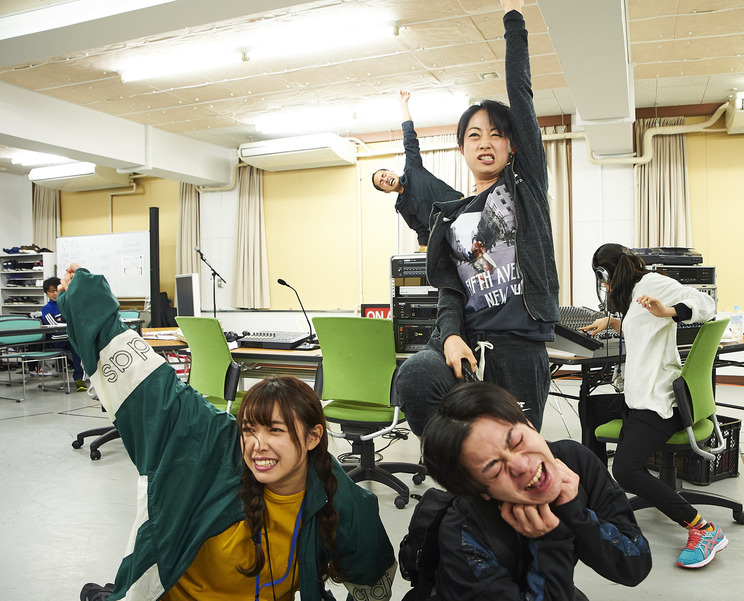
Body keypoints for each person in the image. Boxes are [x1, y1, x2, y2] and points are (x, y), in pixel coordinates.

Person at [56, 264, 396, 601]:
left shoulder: (339, 498)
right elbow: (152, 389)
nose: (258, 445)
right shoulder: (214, 445)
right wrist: (85, 297)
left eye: (276, 430)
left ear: (313, 437)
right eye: (249, 429)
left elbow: (373, 573)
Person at [394, 0, 559, 436]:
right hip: (464, 341)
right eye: (474, 135)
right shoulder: (450, 217)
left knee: (515, 444)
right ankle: (455, 467)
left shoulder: (525, 188)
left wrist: (513, 20)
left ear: (512, 146)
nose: (485, 142)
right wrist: (450, 335)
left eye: (496, 134)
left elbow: (520, 95)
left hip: (519, 347)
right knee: (414, 379)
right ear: (462, 148)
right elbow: (451, 290)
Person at [420, 382, 652, 600]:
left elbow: (635, 566)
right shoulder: (464, 535)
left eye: (517, 441)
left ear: (529, 424)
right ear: (481, 491)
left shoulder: (576, 462)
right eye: (495, 469)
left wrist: (577, 516)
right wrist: (550, 542)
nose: (522, 466)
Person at [579, 243, 728, 569]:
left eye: (602, 279)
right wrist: (611, 323)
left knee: (626, 470)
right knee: (591, 407)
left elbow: (707, 304)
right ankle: (599, 500)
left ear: (608, 274)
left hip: (658, 402)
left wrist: (670, 311)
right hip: (638, 395)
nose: (604, 287)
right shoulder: (636, 292)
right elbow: (643, 329)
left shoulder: (654, 283)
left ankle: (704, 530)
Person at [371, 90, 463, 251]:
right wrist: (423, 251)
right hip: (446, 231)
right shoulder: (402, 207)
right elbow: (420, 229)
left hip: (459, 210)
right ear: (385, 191)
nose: (385, 179)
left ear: (391, 172)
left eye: (384, 175)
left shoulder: (412, 169)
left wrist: (403, 105)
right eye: (381, 182)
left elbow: (409, 139)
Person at [40, 275, 86, 391]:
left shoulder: (68, 304)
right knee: (75, 343)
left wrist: (64, 320)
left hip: (70, 336)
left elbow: (78, 319)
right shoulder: (47, 308)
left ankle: (85, 376)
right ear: (46, 293)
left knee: (80, 342)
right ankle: (79, 379)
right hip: (57, 339)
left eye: (56, 290)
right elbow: (54, 325)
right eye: (51, 291)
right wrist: (67, 321)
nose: (55, 293)